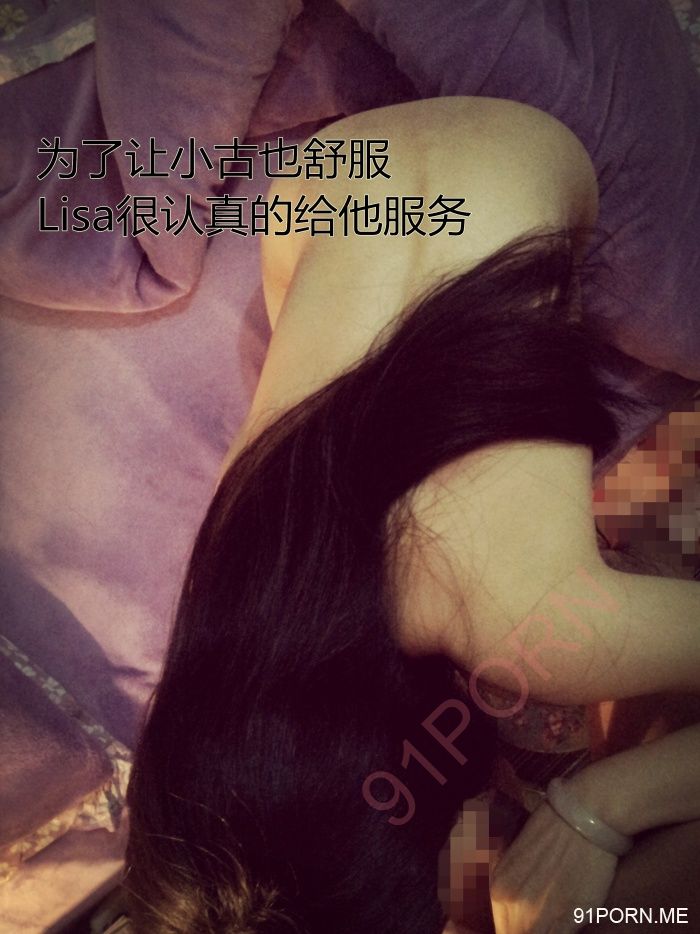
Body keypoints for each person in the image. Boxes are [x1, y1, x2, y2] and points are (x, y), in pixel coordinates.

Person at [124, 98, 700, 933]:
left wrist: (599, 809)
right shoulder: (231, 616)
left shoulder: (529, 626)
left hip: (524, 144)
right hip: (324, 184)